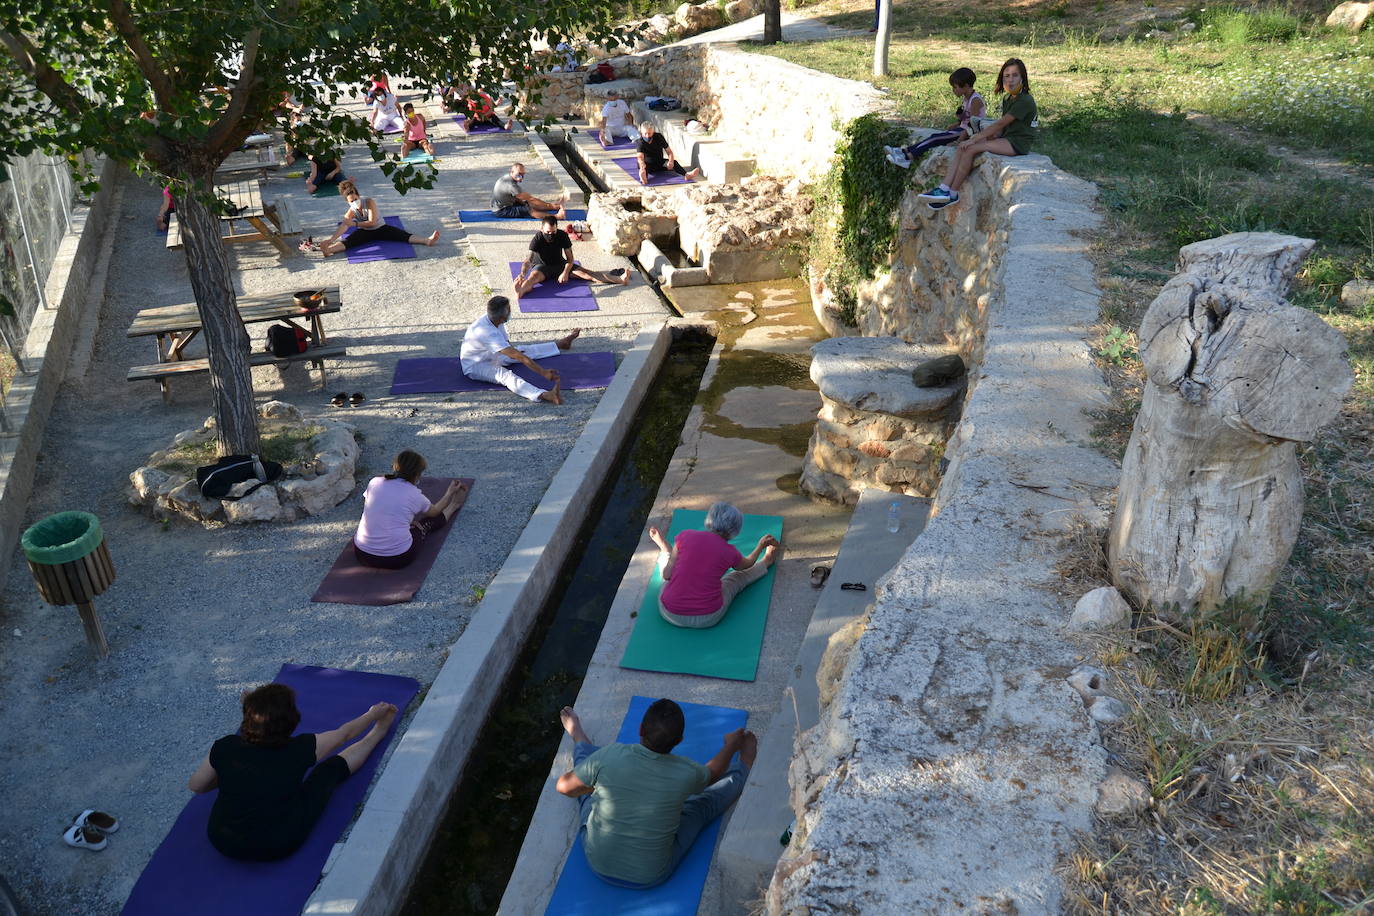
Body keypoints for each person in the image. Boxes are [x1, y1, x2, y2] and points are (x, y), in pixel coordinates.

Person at [186, 682, 398, 861]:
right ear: (292, 720)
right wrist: (373, 715)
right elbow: (344, 734)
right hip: (277, 844)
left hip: (223, 840)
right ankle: (379, 732)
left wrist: (228, 773)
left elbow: (197, 786)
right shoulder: (301, 748)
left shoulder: (225, 747)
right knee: (326, 771)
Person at [556, 702, 757, 888]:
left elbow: (564, 787)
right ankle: (746, 763)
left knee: (586, 786)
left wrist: (599, 786)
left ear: (641, 729)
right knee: (701, 805)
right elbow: (713, 773)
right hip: (649, 877)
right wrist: (731, 745)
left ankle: (577, 735)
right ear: (679, 740)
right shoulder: (686, 773)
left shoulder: (610, 754)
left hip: (598, 864)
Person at [918, 58, 1037, 211]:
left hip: (1018, 143)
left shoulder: (1025, 100)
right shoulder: (1008, 98)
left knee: (970, 148)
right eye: (1006, 76)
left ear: (1023, 77)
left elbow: (1001, 123)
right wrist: (990, 135)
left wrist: (976, 137)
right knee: (962, 146)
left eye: (1015, 75)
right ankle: (943, 188)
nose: (1010, 80)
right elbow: (1004, 126)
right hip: (1007, 138)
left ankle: (952, 193)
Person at [647, 501, 779, 628]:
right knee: (737, 578)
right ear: (735, 531)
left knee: (670, 573)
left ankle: (665, 551)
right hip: (708, 618)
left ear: (709, 520)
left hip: (669, 613)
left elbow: (666, 575)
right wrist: (760, 546)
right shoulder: (729, 552)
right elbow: (747, 564)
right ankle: (767, 560)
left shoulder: (684, 536)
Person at [352, 450, 468, 569]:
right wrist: (449, 493)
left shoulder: (375, 482)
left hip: (361, 554)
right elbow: (435, 512)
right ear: (417, 475)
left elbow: (369, 505)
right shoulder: (414, 494)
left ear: (395, 466)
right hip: (397, 558)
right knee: (424, 524)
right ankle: (454, 504)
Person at [460, 295, 580, 405]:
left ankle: (559, 345)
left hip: (491, 354)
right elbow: (519, 357)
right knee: (506, 376)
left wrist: (515, 353)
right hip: (476, 365)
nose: (511, 310)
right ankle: (543, 395)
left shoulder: (495, 319)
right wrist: (543, 372)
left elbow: (510, 346)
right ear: (502, 317)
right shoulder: (487, 332)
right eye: (509, 309)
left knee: (522, 350)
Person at [303, 179, 440, 256]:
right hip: (365, 232)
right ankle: (328, 250)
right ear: (347, 202)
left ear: (358, 196)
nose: (354, 202)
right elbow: (344, 225)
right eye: (351, 201)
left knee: (402, 235)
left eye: (355, 198)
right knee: (349, 241)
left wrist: (355, 224)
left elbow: (372, 222)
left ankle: (427, 241)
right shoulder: (351, 210)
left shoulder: (369, 202)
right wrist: (331, 240)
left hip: (380, 228)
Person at [884, 67, 985, 169]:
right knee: (935, 136)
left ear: (966, 86)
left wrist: (959, 140)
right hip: (961, 129)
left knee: (935, 138)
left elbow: (972, 124)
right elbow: (965, 118)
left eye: (955, 87)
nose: (953, 90)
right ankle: (904, 151)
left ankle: (907, 157)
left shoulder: (975, 100)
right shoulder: (966, 97)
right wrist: (956, 124)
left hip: (967, 133)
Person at [514, 215, 631, 299]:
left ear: (556, 228)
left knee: (588, 274)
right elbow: (528, 260)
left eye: (553, 232)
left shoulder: (562, 236)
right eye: (547, 232)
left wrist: (565, 272)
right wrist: (522, 274)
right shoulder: (537, 239)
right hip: (541, 267)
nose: (550, 235)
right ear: (542, 229)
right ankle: (521, 290)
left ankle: (620, 279)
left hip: (560, 264)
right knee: (532, 278)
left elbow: (570, 259)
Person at [490, 163, 566, 219]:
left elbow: (524, 199)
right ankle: (557, 217)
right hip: (501, 210)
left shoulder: (507, 177)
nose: (521, 177)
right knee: (528, 209)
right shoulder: (511, 185)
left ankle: (555, 207)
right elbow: (531, 199)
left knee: (527, 203)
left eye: (523, 175)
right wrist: (550, 205)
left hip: (504, 203)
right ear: (512, 172)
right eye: (519, 174)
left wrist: (553, 206)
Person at [635, 123, 700, 184]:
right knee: (644, 168)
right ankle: (644, 178)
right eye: (645, 134)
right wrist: (642, 166)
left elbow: (669, 152)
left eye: (649, 133)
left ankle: (687, 175)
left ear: (653, 132)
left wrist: (670, 161)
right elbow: (640, 157)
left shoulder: (659, 137)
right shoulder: (640, 142)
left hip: (659, 162)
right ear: (641, 133)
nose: (647, 136)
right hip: (647, 164)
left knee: (674, 162)